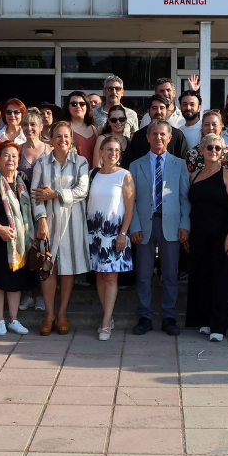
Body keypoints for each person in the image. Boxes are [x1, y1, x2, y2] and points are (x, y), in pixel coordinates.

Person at [128, 121, 191, 336]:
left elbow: (184, 198)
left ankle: (169, 317)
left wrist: (185, 225)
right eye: (154, 134)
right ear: (147, 137)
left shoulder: (179, 164)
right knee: (144, 274)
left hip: (171, 225)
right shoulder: (136, 165)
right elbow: (131, 200)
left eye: (163, 134)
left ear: (169, 138)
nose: (158, 138)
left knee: (170, 274)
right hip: (144, 225)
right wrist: (134, 226)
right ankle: (145, 316)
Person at [32, 123, 91, 335]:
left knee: (68, 268)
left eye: (66, 136)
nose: (62, 139)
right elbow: (35, 195)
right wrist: (41, 221)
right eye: (58, 136)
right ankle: (49, 315)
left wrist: (55, 194)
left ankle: (63, 313)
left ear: (71, 138)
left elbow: (82, 190)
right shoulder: (41, 163)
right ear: (50, 139)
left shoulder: (81, 162)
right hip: (48, 222)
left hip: (73, 222)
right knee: (48, 268)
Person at [0, 141, 39, 335]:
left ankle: (13, 320)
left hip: (19, 243)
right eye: (6, 155)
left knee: (15, 281)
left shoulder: (23, 183)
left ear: (18, 160)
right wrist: (0, 229)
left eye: (14, 156)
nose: (10, 159)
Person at [185, 134, 228, 342]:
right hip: (198, 235)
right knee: (202, 277)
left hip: (221, 235)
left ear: (223, 152)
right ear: (201, 150)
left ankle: (219, 325)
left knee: (221, 279)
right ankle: (206, 321)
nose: (213, 151)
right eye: (209, 147)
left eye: (218, 148)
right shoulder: (194, 175)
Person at [87, 136, 134, 340]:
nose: (113, 153)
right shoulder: (93, 174)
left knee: (111, 276)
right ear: (101, 152)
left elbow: (130, 208)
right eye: (109, 149)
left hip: (115, 232)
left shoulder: (125, 175)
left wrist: (123, 233)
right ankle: (109, 315)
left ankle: (106, 323)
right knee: (99, 275)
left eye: (116, 150)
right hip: (94, 232)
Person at [126, 96, 189, 165]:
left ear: (166, 110)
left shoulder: (177, 135)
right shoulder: (138, 136)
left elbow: (183, 163)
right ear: (148, 111)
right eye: (154, 108)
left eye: (162, 108)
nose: (158, 111)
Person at [18, 110, 50, 182]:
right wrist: (16, 173)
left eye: (33, 124)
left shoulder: (50, 150)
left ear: (41, 127)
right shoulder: (17, 150)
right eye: (25, 124)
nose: (29, 128)